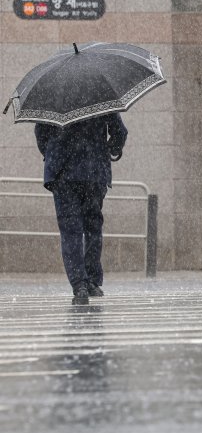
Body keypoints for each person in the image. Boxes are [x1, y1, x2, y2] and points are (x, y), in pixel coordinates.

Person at [34, 114, 128, 305]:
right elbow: (120, 131)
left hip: (63, 173)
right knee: (93, 227)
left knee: (71, 231)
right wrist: (111, 147)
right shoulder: (100, 95)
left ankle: (79, 285)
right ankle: (93, 280)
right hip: (94, 171)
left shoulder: (51, 97)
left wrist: (53, 153)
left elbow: (41, 134)